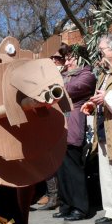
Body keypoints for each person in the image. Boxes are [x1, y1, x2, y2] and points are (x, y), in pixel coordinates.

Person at [81, 34, 112, 224]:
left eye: (102, 50)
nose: (100, 53)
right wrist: (91, 104)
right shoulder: (103, 73)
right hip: (102, 126)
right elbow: (98, 96)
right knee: (105, 172)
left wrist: (106, 97)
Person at [53, 43, 96, 221]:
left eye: (71, 58)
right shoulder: (63, 74)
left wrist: (55, 80)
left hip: (73, 124)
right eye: (67, 58)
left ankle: (80, 207)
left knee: (73, 169)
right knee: (60, 169)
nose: (68, 61)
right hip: (58, 127)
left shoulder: (86, 74)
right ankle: (66, 204)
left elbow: (69, 90)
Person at [37, 50, 66, 210]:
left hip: (62, 121)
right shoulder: (46, 75)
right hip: (46, 122)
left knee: (59, 162)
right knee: (47, 161)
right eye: (52, 57)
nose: (54, 60)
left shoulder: (63, 75)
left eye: (58, 58)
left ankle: (57, 196)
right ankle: (51, 194)